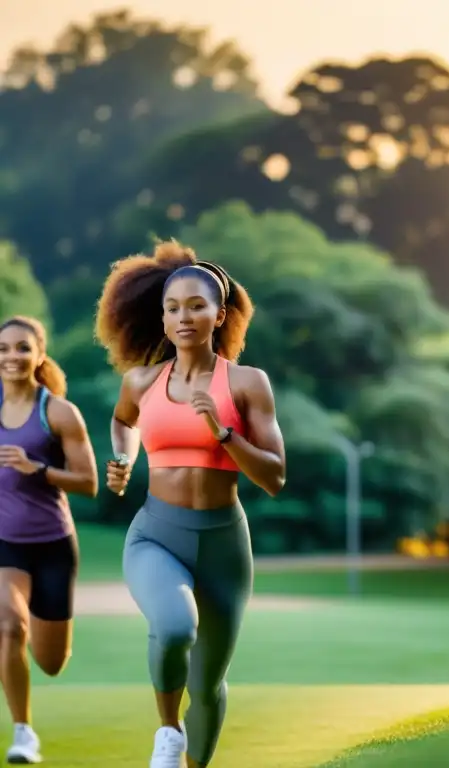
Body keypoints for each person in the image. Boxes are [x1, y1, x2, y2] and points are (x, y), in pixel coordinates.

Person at [94, 242, 286, 768]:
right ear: (161, 316)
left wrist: (223, 432)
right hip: (157, 533)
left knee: (208, 685)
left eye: (196, 306)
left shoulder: (247, 384)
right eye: (173, 307)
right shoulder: (141, 381)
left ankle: (195, 759)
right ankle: (166, 733)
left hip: (224, 543)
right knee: (175, 626)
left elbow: (274, 476)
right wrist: (123, 458)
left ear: (219, 315)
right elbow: (122, 421)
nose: (184, 316)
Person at [0, 316, 98, 764]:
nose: (12, 357)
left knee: (51, 661)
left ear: (40, 355)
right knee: (9, 626)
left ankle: (42, 655)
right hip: (5, 544)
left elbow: (88, 482)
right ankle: (23, 732)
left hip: (54, 545)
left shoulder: (57, 412)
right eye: (3, 349)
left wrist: (35, 468)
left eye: (22, 348)